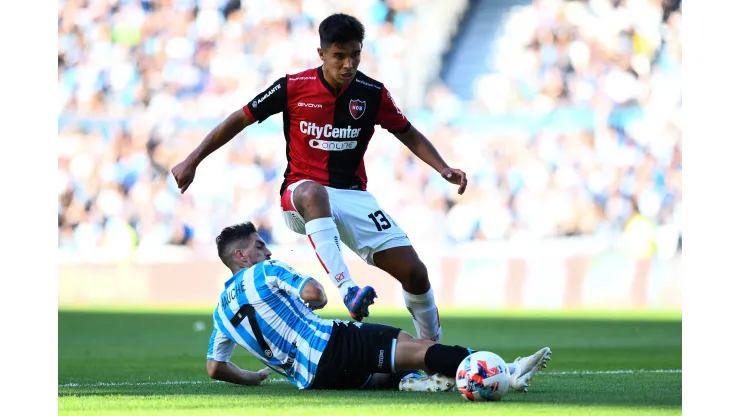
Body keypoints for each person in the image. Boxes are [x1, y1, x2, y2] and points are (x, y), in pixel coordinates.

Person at [172, 13, 469, 342]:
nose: (348, 64)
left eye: (355, 55)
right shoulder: (293, 87)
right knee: (314, 192)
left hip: (352, 195)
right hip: (300, 194)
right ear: (322, 54)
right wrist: (192, 160)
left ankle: (431, 354)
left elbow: (407, 132)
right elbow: (239, 119)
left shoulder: (372, 93)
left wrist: (443, 167)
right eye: (339, 56)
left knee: (415, 272)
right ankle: (348, 289)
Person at [205, 222, 552, 392]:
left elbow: (215, 368)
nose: (266, 250)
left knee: (395, 354)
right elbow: (316, 295)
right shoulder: (266, 271)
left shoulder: (221, 311)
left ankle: (417, 383)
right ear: (241, 255)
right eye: (259, 245)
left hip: (313, 380)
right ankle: (504, 372)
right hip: (329, 344)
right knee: (419, 349)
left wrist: (254, 376)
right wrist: (313, 299)